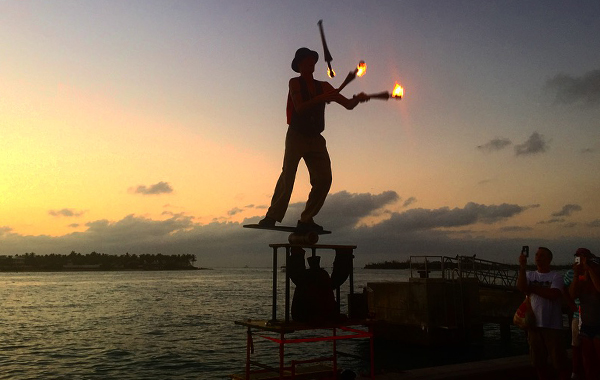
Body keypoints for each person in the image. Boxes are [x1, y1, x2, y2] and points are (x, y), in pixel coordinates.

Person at [259, 47, 369, 232]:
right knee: (288, 175)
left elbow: (347, 104)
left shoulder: (324, 86)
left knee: (324, 179)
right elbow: (300, 108)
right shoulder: (295, 82)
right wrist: (321, 98)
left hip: (316, 138)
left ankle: (307, 219)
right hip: (296, 135)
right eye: (307, 60)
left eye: (312, 60)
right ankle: (272, 216)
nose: (311, 62)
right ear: (300, 64)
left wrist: (357, 99)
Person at [517, 247, 569, 380]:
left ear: (549, 259)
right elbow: (521, 287)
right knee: (539, 364)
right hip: (534, 326)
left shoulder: (555, 276)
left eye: (541, 255)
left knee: (560, 363)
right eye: (536, 255)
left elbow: (554, 294)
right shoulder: (529, 275)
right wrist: (522, 267)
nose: (537, 257)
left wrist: (532, 288)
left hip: (553, 326)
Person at [569, 248, 600, 380]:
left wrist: (589, 269)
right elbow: (572, 294)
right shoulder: (580, 278)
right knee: (588, 361)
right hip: (586, 325)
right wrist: (576, 274)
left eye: (581, 257)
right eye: (577, 257)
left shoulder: (596, 270)